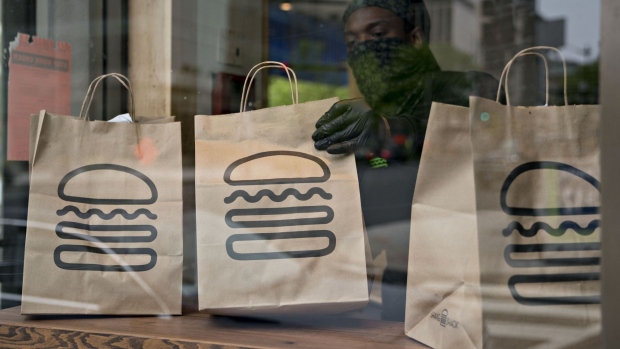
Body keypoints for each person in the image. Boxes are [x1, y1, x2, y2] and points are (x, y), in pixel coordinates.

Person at [312, 0, 501, 321]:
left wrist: (388, 132)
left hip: (463, 274)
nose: (364, 49)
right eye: (352, 42)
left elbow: (469, 136)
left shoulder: (467, 87)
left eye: (378, 33)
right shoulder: (366, 115)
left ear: (414, 39)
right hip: (392, 283)